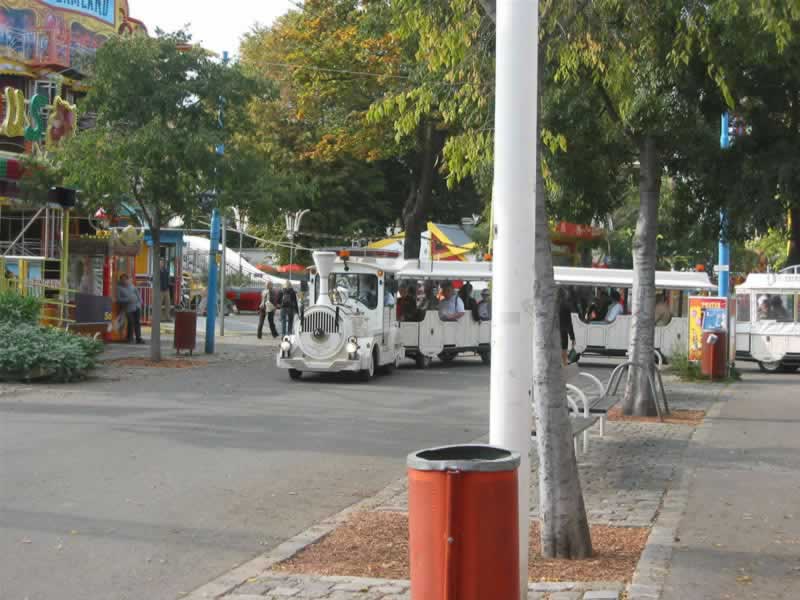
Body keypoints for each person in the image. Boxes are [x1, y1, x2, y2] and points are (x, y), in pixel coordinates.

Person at [116, 273, 143, 344]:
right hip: (128, 308)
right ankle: (129, 338)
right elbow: (118, 300)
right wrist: (128, 299)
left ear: (128, 280)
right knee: (131, 322)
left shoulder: (132, 286)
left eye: (126, 279)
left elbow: (138, 294)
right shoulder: (119, 288)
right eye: (123, 280)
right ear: (121, 280)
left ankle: (138, 338)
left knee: (137, 322)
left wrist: (140, 303)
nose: (125, 281)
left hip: (136, 306)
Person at [558, 287, 576, 365]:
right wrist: (572, 337)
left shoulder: (553, 306)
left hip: (554, 332)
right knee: (564, 350)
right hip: (563, 331)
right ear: (565, 295)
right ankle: (564, 364)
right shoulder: (565, 306)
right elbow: (569, 323)